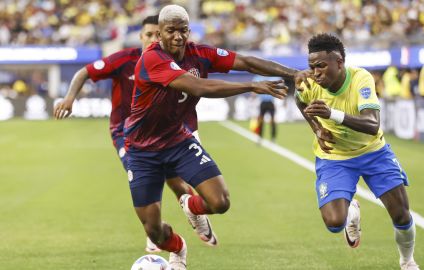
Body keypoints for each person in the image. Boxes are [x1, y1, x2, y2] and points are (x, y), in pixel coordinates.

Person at [125, 5, 309, 270]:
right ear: (160, 34)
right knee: (154, 230)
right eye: (171, 30)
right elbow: (198, 86)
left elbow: (244, 61)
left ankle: (190, 206)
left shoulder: (199, 53)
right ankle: (177, 247)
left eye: (183, 30)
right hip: (143, 152)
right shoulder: (152, 59)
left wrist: (292, 74)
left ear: (189, 30)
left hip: (178, 141)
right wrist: (250, 85)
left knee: (219, 202)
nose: (178, 36)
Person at [53, 15, 197, 252]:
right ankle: (154, 231)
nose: (153, 38)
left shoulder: (169, 61)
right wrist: (69, 98)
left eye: (156, 35)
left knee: (177, 181)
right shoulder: (124, 60)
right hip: (125, 133)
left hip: (161, 133)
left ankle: (194, 214)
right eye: (148, 35)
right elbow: (84, 72)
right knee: (144, 170)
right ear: (140, 37)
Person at [295, 34, 419, 270]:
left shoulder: (361, 79)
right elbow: (299, 100)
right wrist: (317, 128)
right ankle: (351, 209)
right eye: (312, 66)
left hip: (373, 152)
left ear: (339, 62)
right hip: (335, 157)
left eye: (321, 65)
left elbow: (372, 125)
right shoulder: (309, 83)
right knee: (334, 223)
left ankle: (407, 261)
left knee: (401, 215)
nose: (316, 72)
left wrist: (330, 114)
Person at [253, 75, 281, 143]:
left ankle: (273, 138)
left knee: (273, 120)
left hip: (271, 102)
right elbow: (253, 90)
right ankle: (260, 137)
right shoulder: (258, 78)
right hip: (262, 102)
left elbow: (280, 88)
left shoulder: (274, 78)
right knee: (260, 120)